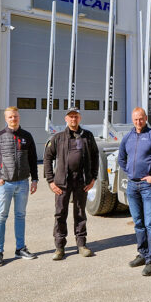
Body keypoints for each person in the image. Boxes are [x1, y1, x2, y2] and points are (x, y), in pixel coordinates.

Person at [0, 106, 38, 267]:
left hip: (23, 183)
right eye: (10, 117)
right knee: (1, 217)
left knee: (20, 216)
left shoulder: (27, 136)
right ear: (6, 119)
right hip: (4, 185)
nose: (13, 119)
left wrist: (35, 179)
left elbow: (33, 159)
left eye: (15, 116)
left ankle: (20, 249)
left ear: (19, 117)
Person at [118, 107, 151, 276]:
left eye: (141, 119)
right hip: (132, 186)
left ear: (146, 118)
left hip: (148, 187)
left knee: (150, 224)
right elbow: (121, 158)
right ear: (132, 120)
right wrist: (130, 173)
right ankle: (142, 254)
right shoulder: (128, 137)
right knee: (138, 223)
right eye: (135, 119)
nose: (138, 122)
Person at [43, 107, 99, 260]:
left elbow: (95, 156)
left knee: (80, 213)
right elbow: (47, 158)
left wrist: (93, 178)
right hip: (62, 183)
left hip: (81, 181)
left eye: (76, 116)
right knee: (60, 214)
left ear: (79, 118)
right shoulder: (58, 138)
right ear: (66, 119)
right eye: (71, 116)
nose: (73, 119)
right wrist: (50, 181)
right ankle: (59, 247)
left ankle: (81, 245)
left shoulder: (87, 136)